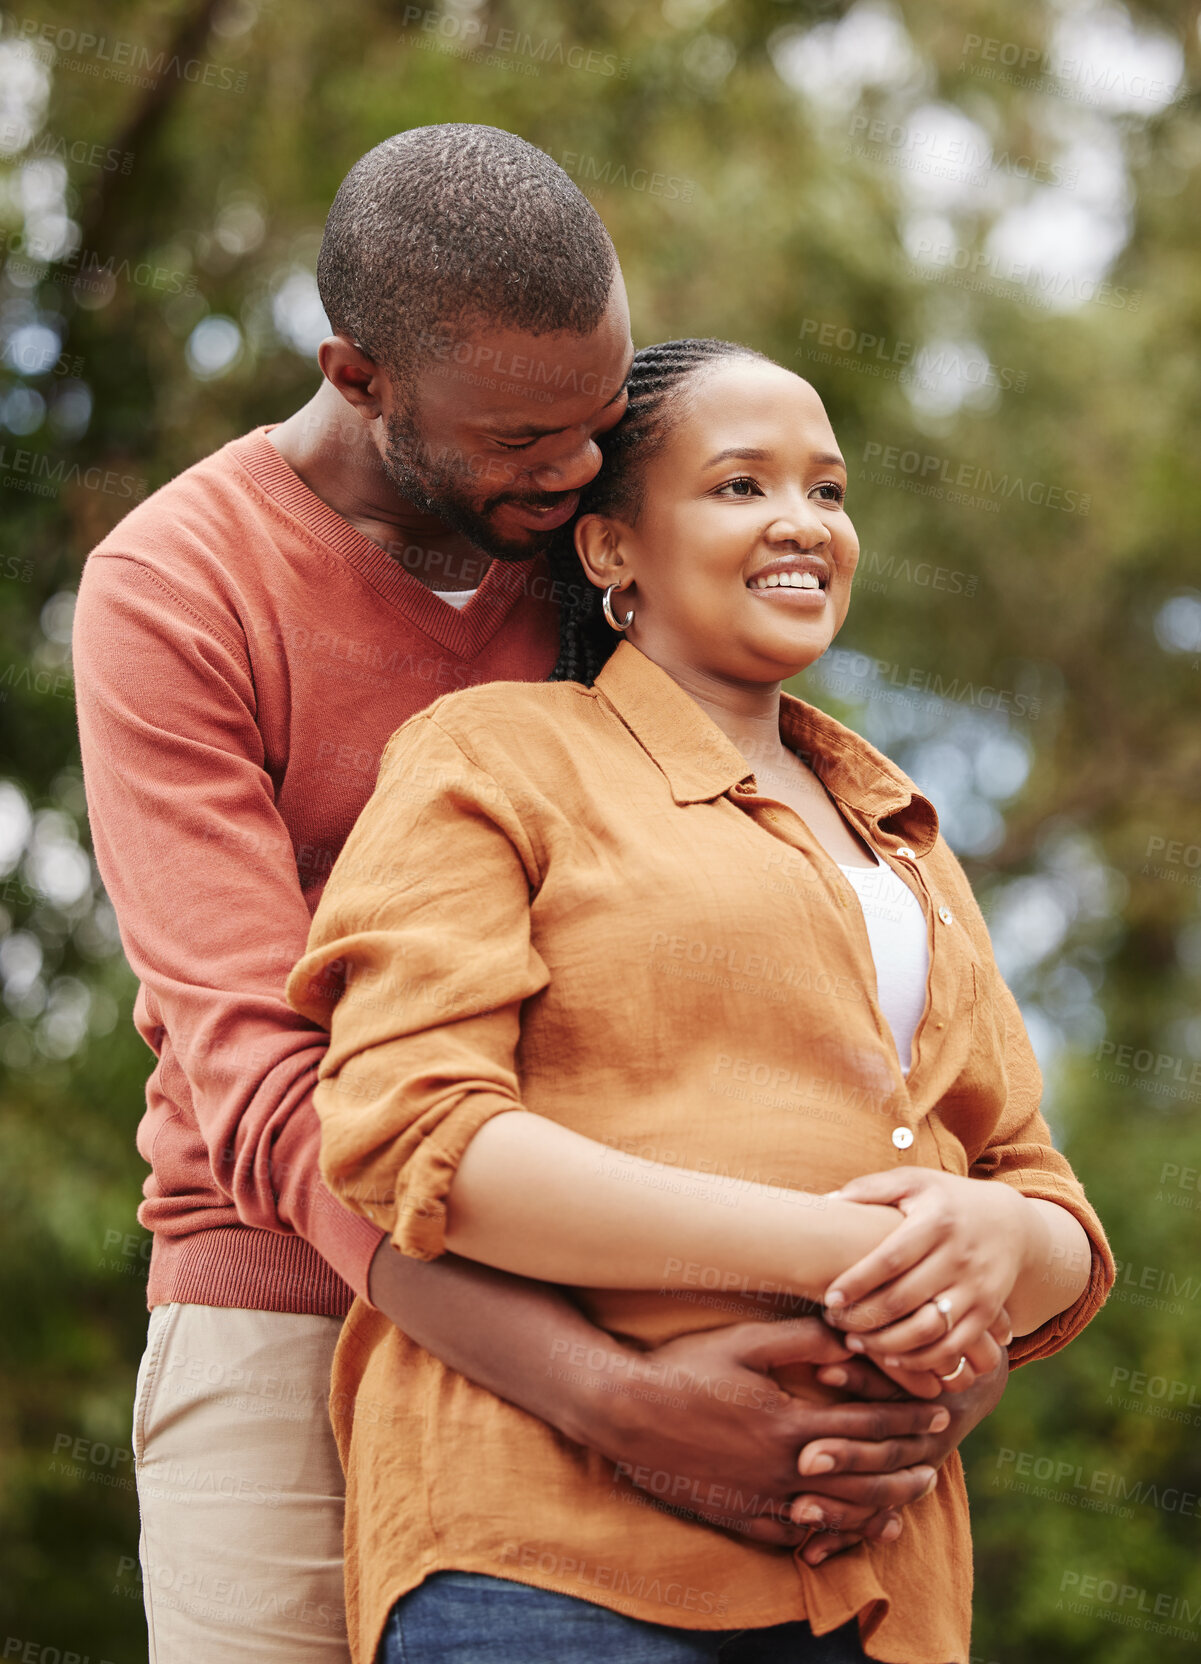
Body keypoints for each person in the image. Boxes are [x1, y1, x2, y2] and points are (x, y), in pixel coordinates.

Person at [72, 131, 995, 1663]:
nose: (572, 472)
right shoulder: (178, 588)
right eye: (521, 439)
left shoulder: (588, 544)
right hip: (290, 1286)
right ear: (359, 376)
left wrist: (934, 1326)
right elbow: (262, 1083)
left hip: (642, 1275)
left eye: (601, 423)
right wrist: (606, 1397)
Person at [289, 338, 1115, 1664]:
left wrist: (991, 1244)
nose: (801, 523)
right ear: (612, 549)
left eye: (829, 491)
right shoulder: (496, 756)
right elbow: (414, 1133)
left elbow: (1041, 1197)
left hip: (876, 1579)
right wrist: (834, 1254)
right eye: (740, 485)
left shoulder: (904, 833)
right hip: (546, 1556)